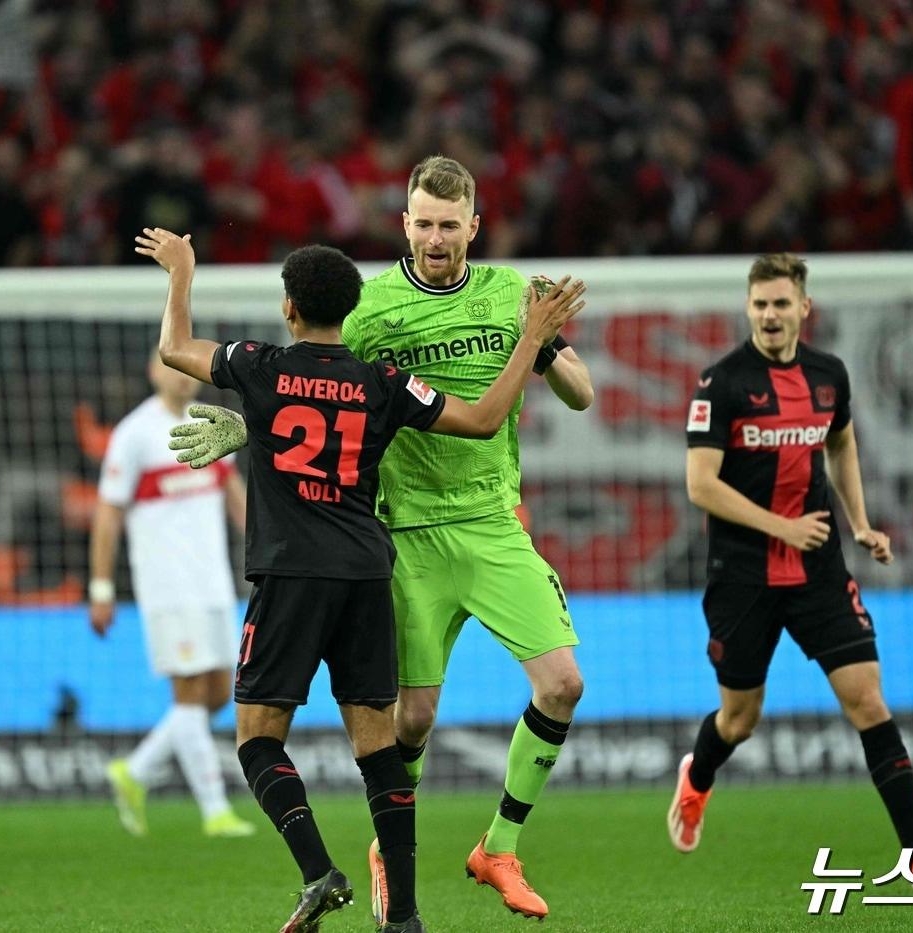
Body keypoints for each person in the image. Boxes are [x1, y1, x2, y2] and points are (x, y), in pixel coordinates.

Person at [169, 155, 595, 921]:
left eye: (448, 224)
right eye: (423, 223)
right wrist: (245, 425)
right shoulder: (368, 307)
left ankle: (497, 846)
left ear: (474, 224)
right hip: (404, 533)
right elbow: (316, 388)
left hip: (493, 521)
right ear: (404, 223)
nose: (436, 237)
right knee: (409, 723)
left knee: (563, 683)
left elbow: (583, 393)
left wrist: (541, 338)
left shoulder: (510, 294)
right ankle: (389, 856)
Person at [672, 253, 913, 890]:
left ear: (804, 308)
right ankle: (698, 776)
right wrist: (781, 527)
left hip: (819, 569)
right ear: (748, 308)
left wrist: (860, 523)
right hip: (744, 575)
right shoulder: (721, 383)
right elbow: (700, 486)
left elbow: (841, 442)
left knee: (867, 699)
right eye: (759, 304)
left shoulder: (829, 376)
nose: (770, 315)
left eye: (781, 303)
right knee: (739, 719)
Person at [89, 350, 255, 839]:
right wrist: (100, 588)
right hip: (166, 584)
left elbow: (235, 496)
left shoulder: (212, 424)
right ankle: (215, 811)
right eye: (172, 368)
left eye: (189, 371)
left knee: (219, 692)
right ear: (153, 371)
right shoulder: (134, 433)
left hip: (213, 583)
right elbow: (107, 513)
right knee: (187, 692)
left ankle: (135, 771)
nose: (182, 379)